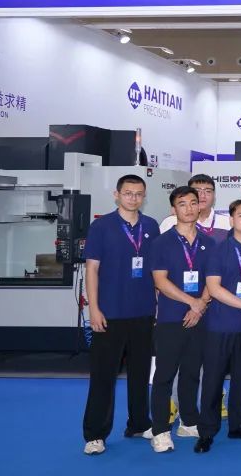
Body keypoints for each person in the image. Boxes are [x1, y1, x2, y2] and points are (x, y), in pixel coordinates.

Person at [82, 174, 160, 455]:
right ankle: (95, 434)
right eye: (128, 193)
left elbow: (155, 270)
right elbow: (92, 269)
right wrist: (94, 308)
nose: (133, 198)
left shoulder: (151, 226)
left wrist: (157, 305)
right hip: (109, 313)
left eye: (138, 194)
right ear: (117, 195)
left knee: (140, 374)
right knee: (103, 376)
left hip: (143, 312)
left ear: (144, 196)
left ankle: (139, 423)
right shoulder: (101, 226)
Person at [148, 186, 216, 452]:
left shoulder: (209, 243)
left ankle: (188, 421)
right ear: (173, 209)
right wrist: (192, 302)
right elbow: (160, 281)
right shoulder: (161, 242)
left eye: (193, 203)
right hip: (170, 319)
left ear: (200, 206)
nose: (189, 208)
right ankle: (160, 430)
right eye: (182, 203)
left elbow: (213, 281)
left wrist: (200, 306)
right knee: (164, 375)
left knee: (191, 372)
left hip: (200, 318)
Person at [197, 199, 241, 453]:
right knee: (213, 379)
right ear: (232, 219)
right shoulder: (219, 249)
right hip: (220, 324)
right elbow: (214, 289)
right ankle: (207, 431)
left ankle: (238, 424)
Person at [160, 174, 230, 239]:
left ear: (214, 195)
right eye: (197, 191)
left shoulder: (227, 222)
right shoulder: (170, 222)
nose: (202, 195)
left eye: (208, 191)